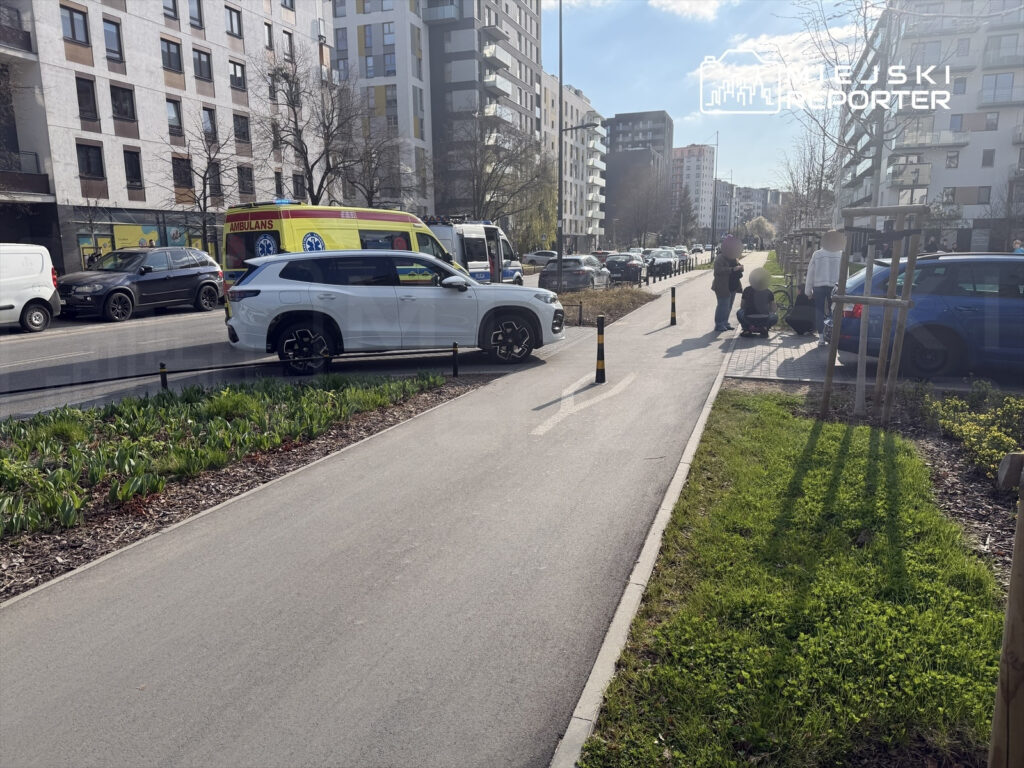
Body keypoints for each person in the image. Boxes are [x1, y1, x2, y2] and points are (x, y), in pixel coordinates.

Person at [804, 229, 846, 346]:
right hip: (835, 287)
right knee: (834, 310)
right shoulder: (841, 254)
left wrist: (808, 291)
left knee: (819, 311)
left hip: (819, 286)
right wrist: (845, 287)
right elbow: (845, 272)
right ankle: (833, 335)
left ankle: (821, 337)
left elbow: (810, 273)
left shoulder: (817, 254)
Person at [712, 235, 743, 332]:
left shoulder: (734, 258)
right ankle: (719, 324)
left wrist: (740, 268)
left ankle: (725, 322)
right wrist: (732, 269)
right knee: (723, 305)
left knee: (729, 305)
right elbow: (718, 270)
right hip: (722, 286)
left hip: (732, 285)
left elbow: (737, 267)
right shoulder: (720, 258)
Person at [737, 267, 777, 338]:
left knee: (739, 312)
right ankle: (764, 327)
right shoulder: (769, 292)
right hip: (764, 318)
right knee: (774, 316)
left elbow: (742, 306)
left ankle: (747, 329)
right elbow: (773, 309)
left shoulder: (747, 290)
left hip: (748, 317)